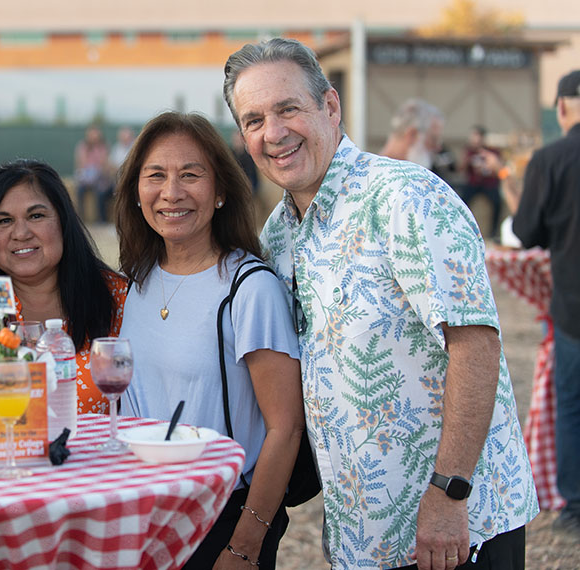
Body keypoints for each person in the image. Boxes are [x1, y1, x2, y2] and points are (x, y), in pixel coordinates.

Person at [224, 38, 537, 569]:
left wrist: (449, 492)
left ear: (329, 106)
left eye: (287, 109)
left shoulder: (406, 198)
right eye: (254, 120)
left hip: (458, 530)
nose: (273, 133)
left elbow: (475, 345)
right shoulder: (277, 235)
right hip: (362, 539)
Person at [116, 111, 303, 568]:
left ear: (220, 191)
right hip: (139, 510)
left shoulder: (249, 288)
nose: (171, 193)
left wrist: (245, 544)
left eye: (191, 175)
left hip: (217, 518)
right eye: (155, 175)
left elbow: (286, 427)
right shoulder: (133, 282)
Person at [0, 158, 127, 414]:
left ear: (63, 223)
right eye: (4, 221)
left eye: (36, 216)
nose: (21, 233)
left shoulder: (117, 296)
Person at [513, 69, 580, 537]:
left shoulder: (553, 158)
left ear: (562, 107)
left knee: (572, 405)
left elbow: (526, 232)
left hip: (574, 306)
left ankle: (575, 506)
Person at [459, 126, 503, 239]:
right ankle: (461, 228)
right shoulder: (469, 152)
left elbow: (499, 170)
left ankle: (493, 232)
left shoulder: (492, 152)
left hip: (489, 184)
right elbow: (461, 169)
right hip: (473, 184)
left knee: (497, 202)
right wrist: (466, 160)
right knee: (462, 202)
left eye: (478, 136)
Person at [379, 98, 445, 170]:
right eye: (433, 139)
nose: (438, 147)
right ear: (412, 134)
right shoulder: (381, 174)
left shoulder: (373, 171)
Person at [74, 124, 112, 223]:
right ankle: (80, 218)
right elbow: (81, 163)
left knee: (101, 192)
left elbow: (104, 164)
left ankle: (101, 220)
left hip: (99, 177)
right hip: (86, 178)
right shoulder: (83, 146)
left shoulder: (103, 146)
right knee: (79, 191)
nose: (94, 136)